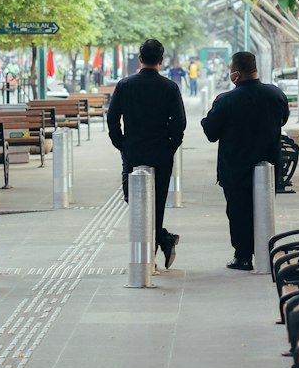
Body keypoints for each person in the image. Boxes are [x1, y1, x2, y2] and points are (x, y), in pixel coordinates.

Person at [201, 50, 289, 270]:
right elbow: (283, 119)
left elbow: (211, 132)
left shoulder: (225, 100)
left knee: (239, 214)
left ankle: (243, 257)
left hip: (235, 170)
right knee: (264, 210)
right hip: (268, 168)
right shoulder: (275, 94)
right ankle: (264, 251)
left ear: (236, 74)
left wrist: (206, 119)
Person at [106, 37, 186, 270]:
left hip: (133, 151)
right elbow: (179, 123)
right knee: (157, 202)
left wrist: (121, 144)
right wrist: (170, 146)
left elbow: (112, 119)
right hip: (161, 152)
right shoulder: (170, 87)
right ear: (161, 60)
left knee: (134, 198)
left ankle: (151, 252)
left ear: (140, 59)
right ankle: (160, 241)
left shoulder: (124, 85)